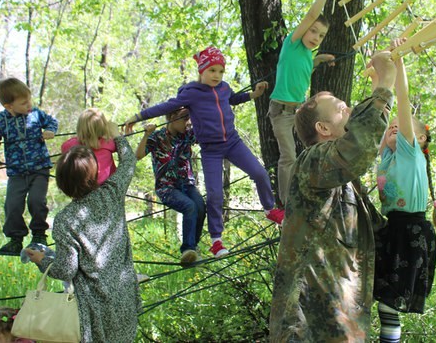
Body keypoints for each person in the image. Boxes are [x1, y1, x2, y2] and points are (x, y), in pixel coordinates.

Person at [269, 49, 397, 341]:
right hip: (306, 328)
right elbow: (357, 148)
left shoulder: (346, 184)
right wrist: (382, 90)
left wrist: (429, 240)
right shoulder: (311, 162)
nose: (350, 110)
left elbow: (380, 234)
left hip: (341, 324)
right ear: (323, 128)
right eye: (341, 107)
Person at [126, 46, 283, 258]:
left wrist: (254, 94)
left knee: (260, 173)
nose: (217, 76)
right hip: (211, 150)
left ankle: (269, 210)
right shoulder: (191, 94)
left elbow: (233, 98)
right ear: (201, 71)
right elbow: (164, 107)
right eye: (212, 71)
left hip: (233, 143)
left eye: (220, 71)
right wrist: (138, 116)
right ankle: (216, 241)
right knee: (215, 195)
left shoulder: (224, 88)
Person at [373, 38, 436, 343]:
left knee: (390, 301)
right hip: (395, 230)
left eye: (403, 128)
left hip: (412, 233)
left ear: (418, 142)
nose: (394, 128)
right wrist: (378, 78)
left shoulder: (409, 154)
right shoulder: (386, 155)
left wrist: (399, 65)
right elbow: (380, 112)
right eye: (392, 126)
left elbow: (401, 101)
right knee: (383, 303)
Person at [25, 135, 140, 343]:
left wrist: (42, 260)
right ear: (95, 173)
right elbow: (129, 162)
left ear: (61, 183)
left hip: (92, 309)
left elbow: (66, 270)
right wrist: (116, 137)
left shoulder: (65, 220)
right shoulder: (111, 194)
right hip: (125, 297)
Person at [269, 0, 339, 206]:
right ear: (304, 29)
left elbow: (302, 73)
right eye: (313, 31)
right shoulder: (292, 43)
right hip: (281, 111)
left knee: (317, 145)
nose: (316, 37)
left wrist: (319, 59)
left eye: (321, 35)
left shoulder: (307, 55)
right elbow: (311, 15)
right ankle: (288, 203)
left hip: (298, 111)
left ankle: (314, 193)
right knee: (288, 156)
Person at [0, 77, 58, 253]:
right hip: (16, 172)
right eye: (24, 103)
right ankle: (15, 239)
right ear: (9, 106)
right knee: (13, 204)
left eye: (29, 100)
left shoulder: (36, 114)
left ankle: (39, 235)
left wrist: (49, 131)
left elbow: (52, 122)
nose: (29, 105)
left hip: (39, 168)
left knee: (36, 201)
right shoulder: (2, 120)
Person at [135, 108, 206, 264]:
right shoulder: (157, 137)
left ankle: (192, 249)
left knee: (200, 206)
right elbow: (138, 155)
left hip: (187, 184)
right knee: (189, 206)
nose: (188, 123)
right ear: (172, 117)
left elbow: (207, 133)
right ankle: (188, 249)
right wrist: (146, 134)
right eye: (184, 118)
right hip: (166, 187)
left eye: (189, 118)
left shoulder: (187, 134)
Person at [61, 108, 119, 184]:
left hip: (82, 187)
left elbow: (63, 147)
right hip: (106, 188)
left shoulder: (71, 145)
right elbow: (120, 146)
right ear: (103, 127)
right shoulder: (108, 142)